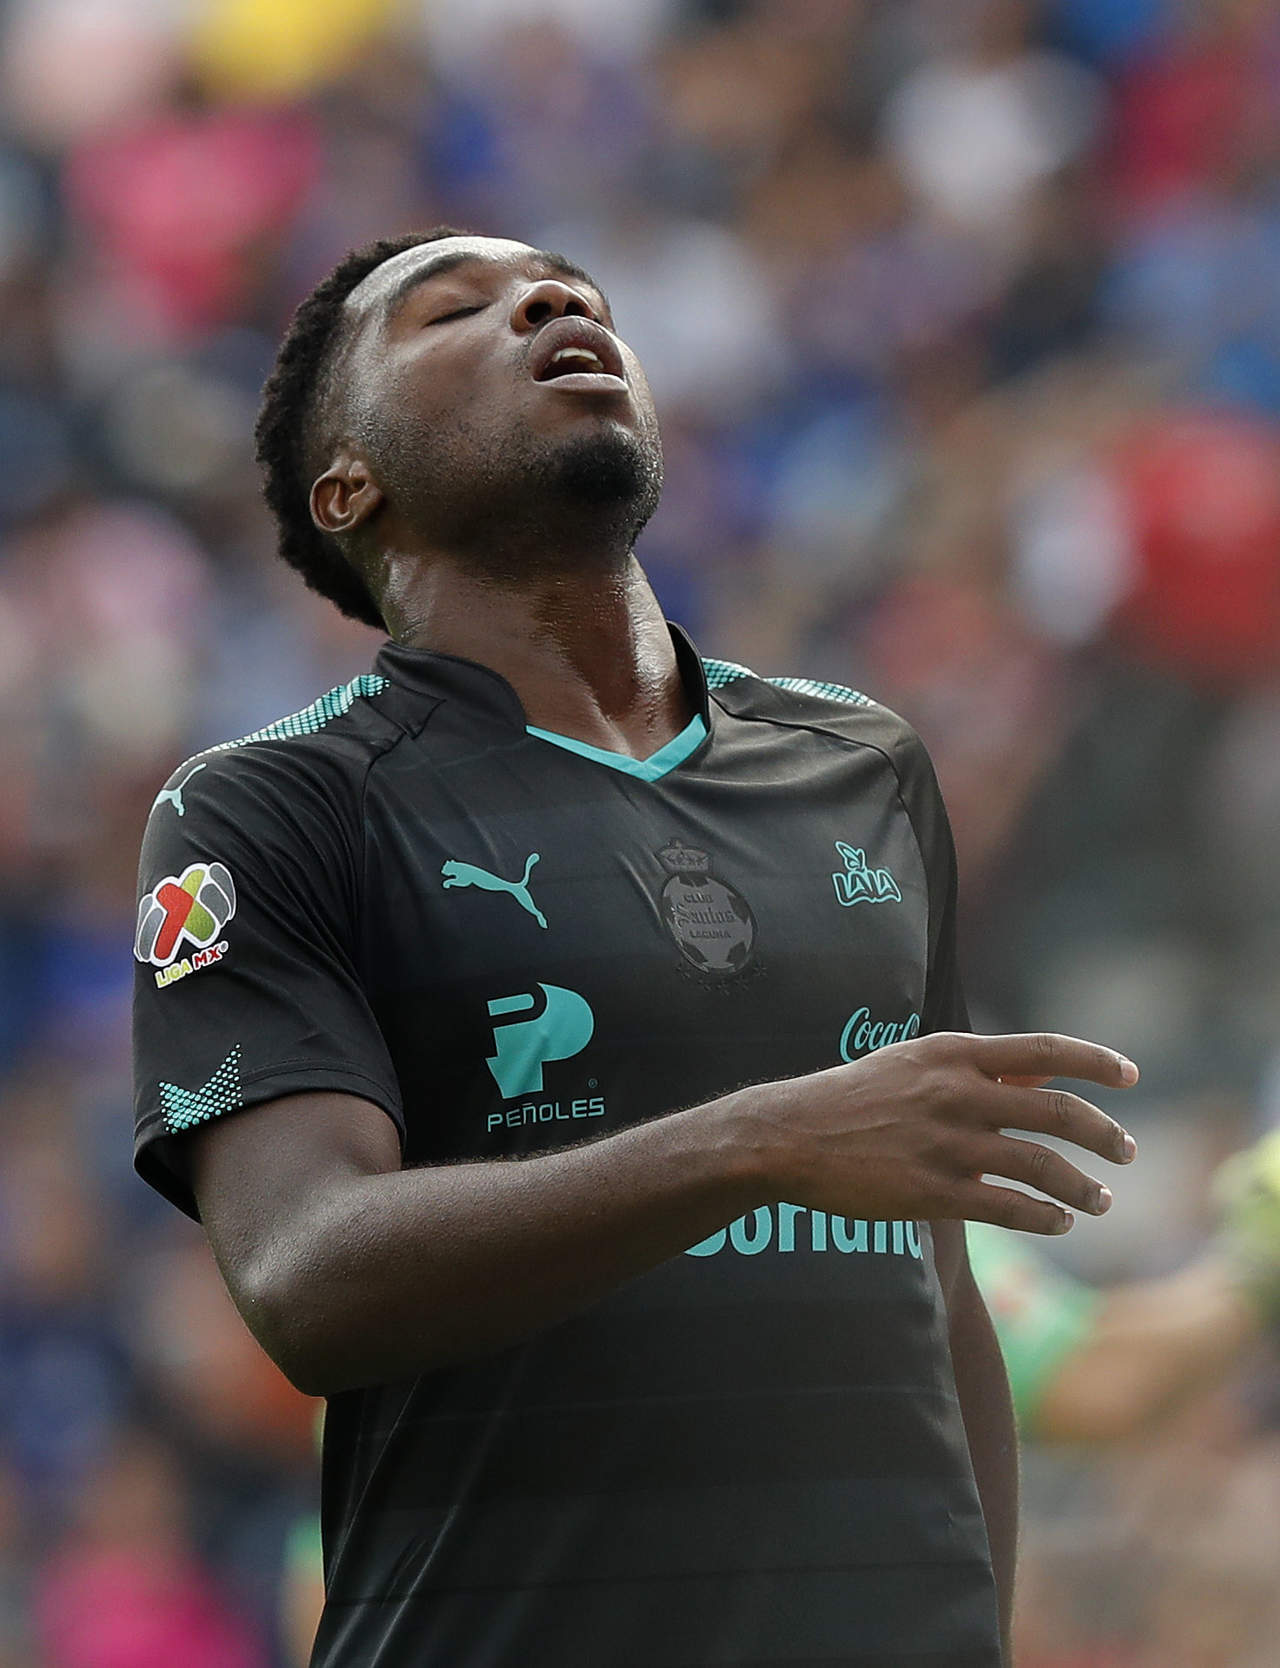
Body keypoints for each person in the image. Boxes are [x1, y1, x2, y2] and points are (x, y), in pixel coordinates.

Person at [131, 228, 1140, 1668]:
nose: (549, 300)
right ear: (347, 485)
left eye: (572, 292)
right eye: (452, 312)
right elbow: (307, 1278)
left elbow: (938, 1293)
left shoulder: (860, 764)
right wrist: (757, 1143)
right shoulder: (274, 810)